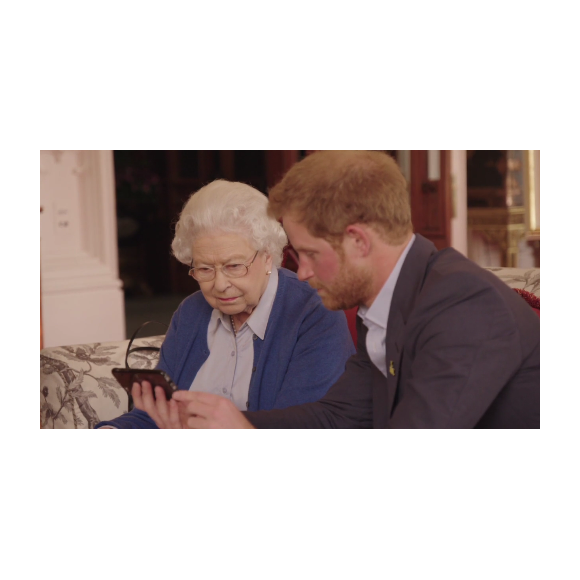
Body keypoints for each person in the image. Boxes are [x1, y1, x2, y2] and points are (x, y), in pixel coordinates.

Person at [167, 150, 541, 429]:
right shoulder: (387, 304)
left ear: (359, 242)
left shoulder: (465, 305)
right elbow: (339, 415)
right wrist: (240, 423)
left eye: (311, 254)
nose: (304, 273)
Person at [96, 179, 355, 429]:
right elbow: (153, 415)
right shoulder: (191, 313)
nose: (220, 284)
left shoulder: (313, 311)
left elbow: (304, 422)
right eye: (205, 269)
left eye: (234, 266)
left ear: (267, 257)